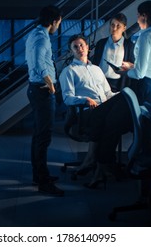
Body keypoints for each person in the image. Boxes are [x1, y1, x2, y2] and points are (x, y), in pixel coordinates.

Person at [59, 35, 132, 189]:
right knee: (115, 121)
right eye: (75, 47)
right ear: (71, 51)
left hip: (102, 111)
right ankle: (104, 164)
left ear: (88, 48)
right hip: (86, 113)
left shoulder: (97, 69)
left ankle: (97, 164)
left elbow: (108, 94)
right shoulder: (69, 71)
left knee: (122, 100)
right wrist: (84, 99)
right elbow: (67, 98)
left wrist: (120, 96)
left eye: (82, 46)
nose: (79, 49)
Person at [25, 5, 64, 196]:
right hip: (42, 90)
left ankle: (38, 175)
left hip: (35, 89)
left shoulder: (35, 33)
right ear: (55, 20)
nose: (59, 26)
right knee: (44, 137)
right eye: (59, 22)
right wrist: (51, 84)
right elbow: (39, 63)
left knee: (38, 135)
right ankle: (43, 181)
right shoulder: (42, 37)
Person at [122, 0, 151, 105]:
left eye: (138, 16)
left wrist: (123, 72)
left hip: (142, 87)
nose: (137, 20)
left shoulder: (146, 36)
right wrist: (133, 66)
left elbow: (139, 73)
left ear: (144, 16)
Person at [92, 13, 135, 92]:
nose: (114, 28)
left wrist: (128, 65)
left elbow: (134, 65)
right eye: (112, 25)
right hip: (101, 82)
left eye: (118, 26)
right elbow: (95, 63)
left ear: (124, 28)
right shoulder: (101, 43)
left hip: (118, 83)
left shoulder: (129, 45)